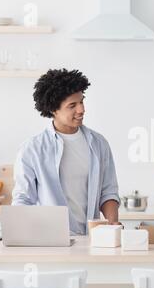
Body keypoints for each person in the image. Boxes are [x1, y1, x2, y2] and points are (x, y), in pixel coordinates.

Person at [12, 69, 121, 235]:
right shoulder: (32, 149)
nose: (81, 110)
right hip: (50, 240)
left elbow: (108, 192)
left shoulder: (99, 144)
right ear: (53, 109)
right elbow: (23, 200)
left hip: (92, 238)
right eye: (72, 105)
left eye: (82, 102)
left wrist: (113, 223)